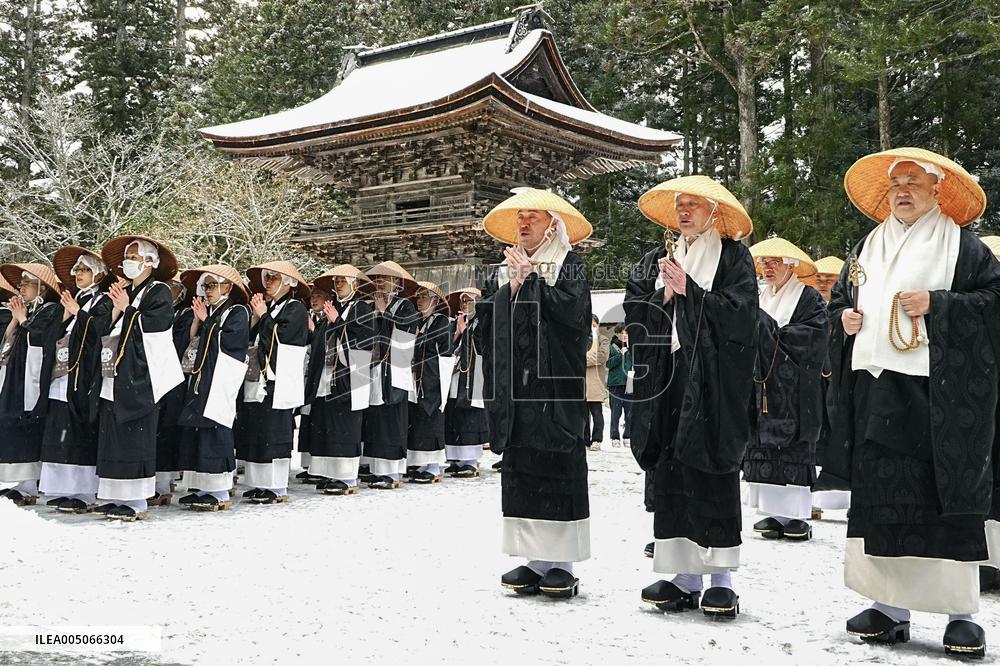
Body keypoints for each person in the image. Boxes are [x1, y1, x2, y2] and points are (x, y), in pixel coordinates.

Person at [824, 148, 997, 657]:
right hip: (875, 388)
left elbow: (995, 303)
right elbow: (840, 300)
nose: (903, 190)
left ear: (937, 190)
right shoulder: (866, 247)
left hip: (937, 397)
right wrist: (844, 322)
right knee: (881, 503)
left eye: (914, 183)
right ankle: (887, 606)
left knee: (941, 500)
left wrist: (938, 305)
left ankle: (959, 615)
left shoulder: (963, 248)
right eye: (896, 182)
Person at [626, 175, 757, 618]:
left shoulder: (735, 258)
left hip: (714, 381)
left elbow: (743, 318)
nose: (684, 212)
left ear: (714, 212)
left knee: (711, 467)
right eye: (680, 205)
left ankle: (721, 578)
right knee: (672, 468)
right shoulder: (657, 258)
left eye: (694, 205)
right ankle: (682, 575)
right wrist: (663, 295)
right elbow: (634, 311)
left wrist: (692, 293)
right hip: (669, 375)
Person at [478, 188, 592, 599]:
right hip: (517, 391)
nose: (524, 224)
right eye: (520, 218)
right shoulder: (504, 269)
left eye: (534, 218)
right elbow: (487, 331)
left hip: (555, 389)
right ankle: (532, 558)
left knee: (557, 468)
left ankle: (560, 563)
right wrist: (508, 288)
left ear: (553, 225)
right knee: (523, 469)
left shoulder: (570, 265)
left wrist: (533, 284)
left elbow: (574, 322)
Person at [742, 239, 827, 541]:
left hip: (795, 388)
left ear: (791, 265)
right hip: (760, 383)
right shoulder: (759, 296)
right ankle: (769, 514)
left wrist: (767, 329)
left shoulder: (809, 299)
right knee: (761, 445)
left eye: (776, 261)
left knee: (793, 448)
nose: (768, 267)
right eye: (764, 262)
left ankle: (797, 516)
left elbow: (811, 337)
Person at [94, 236, 184, 521]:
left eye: (134, 255)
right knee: (113, 435)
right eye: (127, 256)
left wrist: (128, 309)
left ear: (150, 262)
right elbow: (107, 328)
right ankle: (115, 495)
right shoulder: (128, 291)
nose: (128, 260)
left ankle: (135, 500)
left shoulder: (158, 291)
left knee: (135, 436)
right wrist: (119, 307)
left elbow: (156, 327)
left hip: (141, 375)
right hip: (116, 373)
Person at [38, 247, 113, 513]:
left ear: (99, 274)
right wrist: (67, 316)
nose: (78, 274)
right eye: (77, 270)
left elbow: (100, 334)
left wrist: (79, 314)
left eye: (84, 269)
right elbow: (53, 336)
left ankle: (84, 491)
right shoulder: (73, 299)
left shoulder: (104, 301)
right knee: (59, 430)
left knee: (79, 431)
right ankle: (62, 488)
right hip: (60, 375)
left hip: (82, 377)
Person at [175, 265, 251, 511]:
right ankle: (199, 485)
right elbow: (191, 342)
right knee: (197, 429)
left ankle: (218, 490)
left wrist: (208, 323)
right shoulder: (208, 311)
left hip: (220, 379)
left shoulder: (237, 311)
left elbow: (233, 342)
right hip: (200, 377)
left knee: (215, 428)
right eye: (204, 286)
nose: (207, 291)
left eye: (212, 286)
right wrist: (199, 322)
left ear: (227, 287)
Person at [238, 261, 310, 505]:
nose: (268, 282)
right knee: (256, 427)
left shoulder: (296, 308)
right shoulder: (269, 307)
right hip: (258, 375)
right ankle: (259, 483)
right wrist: (258, 319)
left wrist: (263, 317)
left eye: (274, 278)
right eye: (266, 278)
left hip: (279, 377)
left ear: (288, 283)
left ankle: (276, 485)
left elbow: (285, 337)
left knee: (274, 429)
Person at [303, 265, 374, 495]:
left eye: (343, 280)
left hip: (348, 375)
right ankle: (327, 472)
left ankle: (346, 477)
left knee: (343, 425)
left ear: (355, 283)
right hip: (326, 375)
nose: (338, 283)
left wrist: (337, 322)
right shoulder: (332, 307)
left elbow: (363, 340)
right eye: (336, 280)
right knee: (325, 422)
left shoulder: (361, 307)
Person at [0, 263, 64, 507]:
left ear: (42, 287)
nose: (22, 288)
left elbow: (40, 338)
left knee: (28, 421)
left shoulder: (51, 310)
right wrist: (16, 321)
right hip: (17, 372)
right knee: (12, 420)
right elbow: (11, 338)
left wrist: (24, 319)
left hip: (34, 374)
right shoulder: (30, 310)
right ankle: (21, 482)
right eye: (22, 284)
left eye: (27, 283)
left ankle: (30, 484)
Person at [362, 261, 420, 490]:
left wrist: (385, 314)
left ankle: (392, 471)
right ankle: (377, 468)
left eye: (384, 279)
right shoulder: (371, 306)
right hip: (377, 368)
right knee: (376, 417)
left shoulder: (405, 306)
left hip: (396, 368)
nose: (379, 283)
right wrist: (376, 316)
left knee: (392, 418)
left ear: (396, 282)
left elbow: (407, 333)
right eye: (376, 279)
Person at [808, 255, 851, 519]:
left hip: (840, 379)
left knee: (840, 434)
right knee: (816, 437)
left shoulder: (844, 306)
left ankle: (846, 499)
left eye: (830, 279)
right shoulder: (805, 306)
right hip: (813, 380)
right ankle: (813, 500)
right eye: (819, 278)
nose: (823, 283)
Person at [151, 273, 194, 507]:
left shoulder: (185, 314)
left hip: (175, 374)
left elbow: (179, 344)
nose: (170, 291)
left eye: (175, 287)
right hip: (157, 372)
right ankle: (157, 480)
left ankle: (163, 484)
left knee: (167, 428)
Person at [406, 281, 454, 484]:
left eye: (424, 296)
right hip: (419, 376)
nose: (420, 300)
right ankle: (422, 463)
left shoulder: (441, 321)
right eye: (418, 296)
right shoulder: (420, 321)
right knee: (419, 420)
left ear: (435, 300)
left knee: (432, 417)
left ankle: (434, 466)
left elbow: (444, 348)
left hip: (434, 376)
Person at [444, 288, 489, 477]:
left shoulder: (482, 321)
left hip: (473, 373)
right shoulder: (460, 321)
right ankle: (455, 457)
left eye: (468, 301)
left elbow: (483, 345)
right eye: (463, 301)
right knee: (454, 412)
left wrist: (466, 332)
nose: (465, 305)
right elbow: (452, 346)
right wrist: (457, 333)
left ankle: (470, 460)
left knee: (469, 416)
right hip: (456, 373)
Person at [583, 314, 609, 451]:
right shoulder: (582, 339)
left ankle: (597, 439)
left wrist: (585, 359)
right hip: (582, 382)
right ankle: (585, 439)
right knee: (583, 415)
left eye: (593, 325)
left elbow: (603, 356)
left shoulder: (603, 339)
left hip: (596, 381)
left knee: (597, 412)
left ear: (597, 325)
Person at [606, 324, 632, 448]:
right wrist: (620, 354)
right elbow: (608, 364)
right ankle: (615, 436)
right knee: (615, 412)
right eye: (622, 333)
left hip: (630, 382)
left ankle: (627, 435)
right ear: (617, 334)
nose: (625, 335)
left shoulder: (633, 348)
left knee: (629, 411)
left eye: (627, 333)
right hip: (616, 383)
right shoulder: (612, 347)